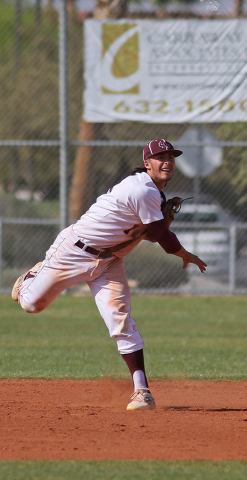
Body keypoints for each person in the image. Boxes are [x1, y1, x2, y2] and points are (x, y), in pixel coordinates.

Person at [11, 138, 207, 411]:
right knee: (31, 304)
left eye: (171, 156)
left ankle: (142, 392)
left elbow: (149, 235)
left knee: (121, 321)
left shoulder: (154, 193)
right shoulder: (142, 189)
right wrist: (186, 254)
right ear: (147, 163)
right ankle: (30, 278)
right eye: (160, 156)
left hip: (110, 261)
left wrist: (166, 219)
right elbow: (162, 237)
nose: (167, 161)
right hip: (74, 251)